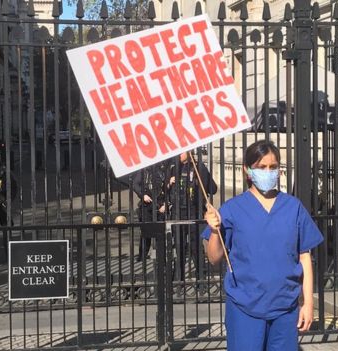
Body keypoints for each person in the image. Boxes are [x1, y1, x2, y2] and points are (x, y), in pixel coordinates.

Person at [203, 140, 324, 351]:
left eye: (273, 167)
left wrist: (308, 303)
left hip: (284, 308)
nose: (268, 172)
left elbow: (304, 256)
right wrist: (214, 231)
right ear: (247, 170)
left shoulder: (293, 207)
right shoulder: (232, 209)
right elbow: (213, 257)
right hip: (245, 308)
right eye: (261, 167)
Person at [170, 152, 216, 280]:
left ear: (190, 152)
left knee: (195, 245)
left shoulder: (199, 167)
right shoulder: (174, 169)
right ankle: (178, 279)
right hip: (178, 213)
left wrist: (202, 178)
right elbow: (166, 189)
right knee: (179, 245)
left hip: (194, 211)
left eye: (182, 151)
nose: (179, 154)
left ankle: (201, 278)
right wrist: (169, 183)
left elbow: (213, 189)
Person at [132, 160, 173, 261]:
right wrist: (143, 195)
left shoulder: (165, 170)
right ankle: (142, 255)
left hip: (161, 204)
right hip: (147, 204)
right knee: (146, 232)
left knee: (161, 233)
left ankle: (161, 256)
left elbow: (170, 190)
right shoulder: (144, 170)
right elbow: (136, 185)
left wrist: (166, 203)